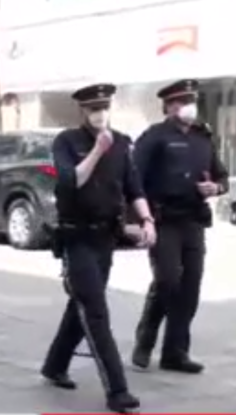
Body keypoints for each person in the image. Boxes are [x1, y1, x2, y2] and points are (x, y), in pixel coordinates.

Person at [40, 83, 156, 414]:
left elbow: (133, 187)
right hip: (76, 238)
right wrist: (96, 152)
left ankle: (55, 365)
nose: (100, 114)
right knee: (95, 310)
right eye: (93, 109)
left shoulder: (121, 143)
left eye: (104, 107)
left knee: (81, 304)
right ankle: (117, 390)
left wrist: (147, 220)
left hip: (106, 239)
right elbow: (71, 181)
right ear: (83, 111)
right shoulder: (66, 142)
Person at [131, 79, 228, 374]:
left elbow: (222, 176)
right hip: (164, 220)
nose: (188, 107)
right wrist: (139, 220)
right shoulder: (155, 137)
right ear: (168, 107)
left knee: (190, 286)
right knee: (167, 281)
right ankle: (145, 340)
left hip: (193, 219)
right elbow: (133, 179)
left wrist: (216, 187)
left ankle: (175, 352)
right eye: (181, 102)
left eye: (191, 101)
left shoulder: (203, 137)